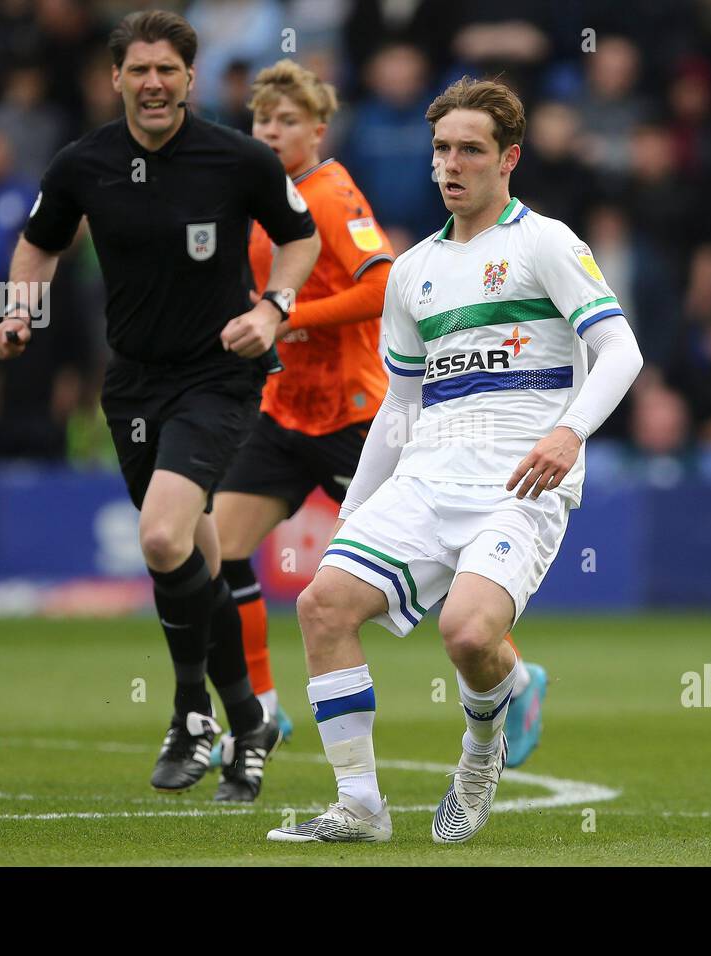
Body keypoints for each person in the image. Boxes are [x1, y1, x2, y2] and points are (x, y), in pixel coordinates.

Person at [268, 78, 643, 844]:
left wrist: (569, 431)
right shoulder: (412, 272)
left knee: (470, 635)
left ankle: (481, 749)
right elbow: (401, 407)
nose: (451, 163)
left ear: (509, 158)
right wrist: (352, 512)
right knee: (322, 605)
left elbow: (620, 349)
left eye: (470, 149)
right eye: (441, 148)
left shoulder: (546, 242)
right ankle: (360, 807)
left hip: (521, 480)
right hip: (427, 474)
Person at [0, 10, 320, 798]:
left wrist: (273, 306)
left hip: (218, 375)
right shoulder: (83, 164)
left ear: (190, 79)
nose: (154, 83)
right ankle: (247, 723)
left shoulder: (237, 158)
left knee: (164, 537)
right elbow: (40, 241)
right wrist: (19, 309)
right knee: (195, 557)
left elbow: (299, 235)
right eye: (139, 70)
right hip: (131, 383)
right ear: (116, 79)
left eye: (168, 69)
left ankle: (188, 714)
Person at [208, 60, 552, 792]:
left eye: (287, 121)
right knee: (214, 549)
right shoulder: (259, 199)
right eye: (261, 120)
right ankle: (262, 708)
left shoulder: (329, 196)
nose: (271, 132)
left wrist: (284, 315)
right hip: (285, 414)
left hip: (359, 413)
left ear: (318, 130)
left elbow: (377, 284)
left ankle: (515, 678)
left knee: (446, 577)